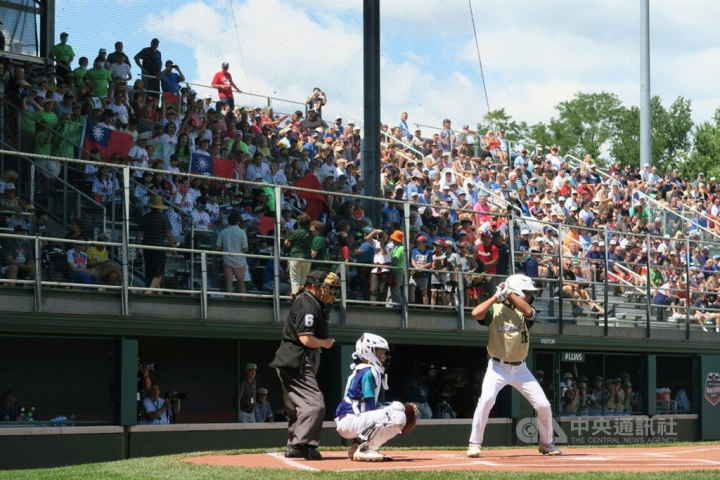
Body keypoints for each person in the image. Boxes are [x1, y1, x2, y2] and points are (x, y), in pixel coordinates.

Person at [467, 274, 561, 457]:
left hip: (521, 369)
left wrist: (510, 294)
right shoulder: (495, 309)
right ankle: (474, 443)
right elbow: (475, 313)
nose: (530, 296)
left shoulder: (525, 311)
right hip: (497, 367)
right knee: (486, 400)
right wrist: (497, 296)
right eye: (526, 293)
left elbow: (528, 311)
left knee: (543, 405)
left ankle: (546, 443)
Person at [269, 270, 339, 461]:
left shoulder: (312, 302)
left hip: (292, 358)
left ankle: (296, 445)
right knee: (315, 404)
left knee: (296, 409)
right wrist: (325, 343)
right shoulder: (308, 304)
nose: (330, 291)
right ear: (312, 285)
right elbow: (306, 339)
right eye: (327, 287)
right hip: (297, 358)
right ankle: (302, 445)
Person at [335, 333, 407, 462]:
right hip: (351, 420)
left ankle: (358, 445)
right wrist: (392, 415)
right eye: (380, 352)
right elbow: (369, 406)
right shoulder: (370, 371)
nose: (384, 356)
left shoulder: (364, 369)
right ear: (369, 351)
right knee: (397, 414)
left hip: (349, 419)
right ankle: (365, 448)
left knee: (394, 409)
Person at [137, 196, 176, 293]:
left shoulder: (145, 217)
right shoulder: (163, 217)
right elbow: (168, 233)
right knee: (159, 274)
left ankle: (158, 293)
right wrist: (173, 247)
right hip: (159, 247)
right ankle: (148, 291)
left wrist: (137, 248)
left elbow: (138, 234)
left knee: (150, 272)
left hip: (147, 247)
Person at [215, 212, 249, 295]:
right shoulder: (242, 232)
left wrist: (226, 247)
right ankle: (243, 299)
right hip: (239, 260)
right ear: (238, 221)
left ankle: (229, 300)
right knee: (241, 282)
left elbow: (217, 248)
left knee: (229, 282)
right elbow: (245, 249)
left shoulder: (223, 232)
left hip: (227, 260)